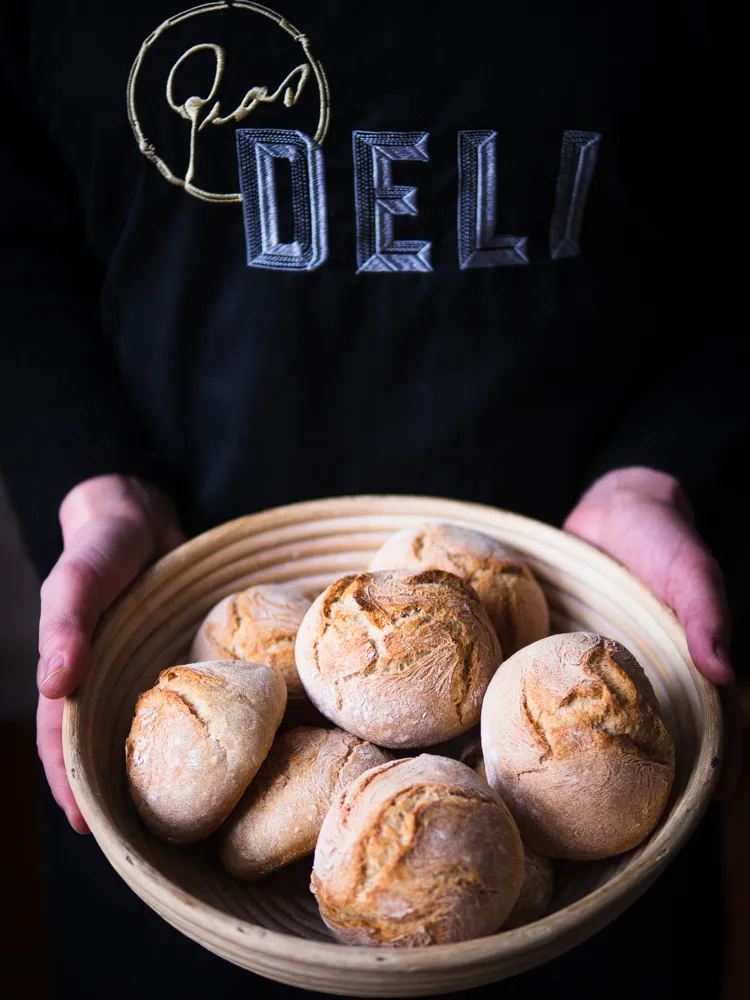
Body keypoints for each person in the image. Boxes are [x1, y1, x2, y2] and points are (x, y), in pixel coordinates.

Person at [0, 2, 744, 998]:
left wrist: (667, 464)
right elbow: (13, 234)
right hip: (176, 624)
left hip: (585, 606)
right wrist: (91, 481)